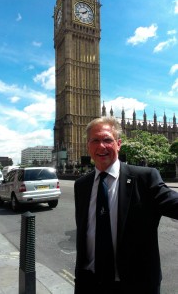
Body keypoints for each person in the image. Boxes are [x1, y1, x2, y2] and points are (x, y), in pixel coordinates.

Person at [74, 116, 178, 294]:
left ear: (118, 144)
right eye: (95, 140)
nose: (101, 146)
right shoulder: (81, 185)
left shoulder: (145, 178)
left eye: (107, 140)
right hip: (89, 284)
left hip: (135, 285)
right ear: (88, 146)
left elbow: (173, 203)